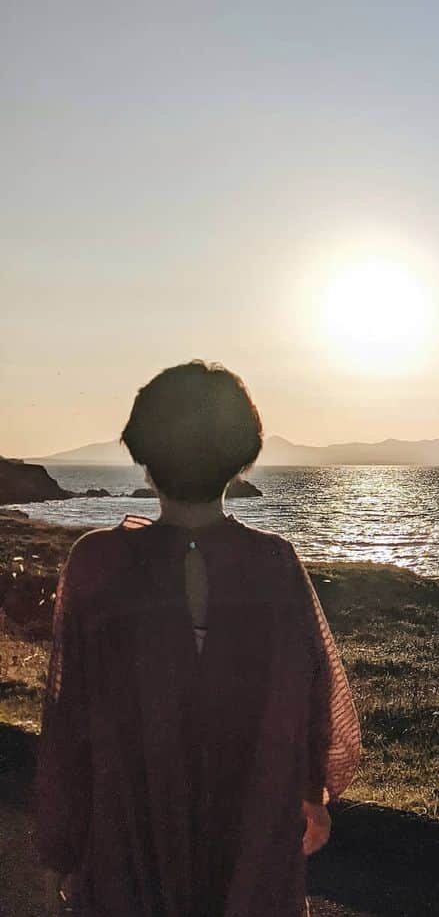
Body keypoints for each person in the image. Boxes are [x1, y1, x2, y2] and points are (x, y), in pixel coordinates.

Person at [36, 361, 362, 916]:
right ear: (241, 459)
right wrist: (311, 793)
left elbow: (68, 720)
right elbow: (314, 692)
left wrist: (61, 851)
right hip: (250, 834)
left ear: (143, 454)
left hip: (130, 840)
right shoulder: (274, 563)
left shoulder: (96, 563)